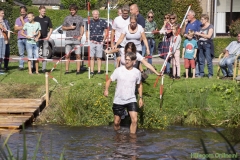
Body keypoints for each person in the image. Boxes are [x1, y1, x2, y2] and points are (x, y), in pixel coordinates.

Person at [104, 52, 143, 134]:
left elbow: (139, 85)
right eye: (126, 59)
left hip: (131, 99)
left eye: (129, 60)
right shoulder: (118, 70)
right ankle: (117, 136)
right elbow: (109, 80)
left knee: (134, 120)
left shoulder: (137, 72)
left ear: (133, 61)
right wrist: (106, 90)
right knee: (116, 122)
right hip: (119, 99)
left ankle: (132, 140)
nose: (127, 61)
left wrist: (140, 98)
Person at [62, 4, 84, 75]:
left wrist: (80, 36)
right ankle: (67, 70)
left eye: (73, 10)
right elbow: (63, 27)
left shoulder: (80, 18)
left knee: (78, 55)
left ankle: (78, 70)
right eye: (71, 10)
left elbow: (82, 27)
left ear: (76, 10)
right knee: (67, 55)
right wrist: (70, 28)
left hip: (76, 39)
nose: (72, 11)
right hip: (68, 39)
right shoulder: (67, 18)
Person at [86, 10, 107, 76]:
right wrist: (87, 38)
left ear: (99, 14)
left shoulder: (103, 22)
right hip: (92, 41)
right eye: (94, 14)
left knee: (99, 57)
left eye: (97, 14)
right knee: (92, 57)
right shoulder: (89, 22)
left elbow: (106, 32)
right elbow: (87, 31)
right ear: (92, 15)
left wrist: (103, 40)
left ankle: (99, 71)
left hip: (99, 42)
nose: (95, 15)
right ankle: (92, 71)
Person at [181, 10, 201, 77]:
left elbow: (199, 33)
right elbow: (182, 32)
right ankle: (188, 73)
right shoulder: (187, 23)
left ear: (193, 15)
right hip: (187, 43)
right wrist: (185, 24)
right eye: (187, 15)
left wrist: (192, 35)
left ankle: (196, 73)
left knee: (195, 59)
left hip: (194, 42)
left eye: (188, 15)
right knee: (188, 58)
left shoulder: (198, 23)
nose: (187, 16)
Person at [34, 5, 53, 73]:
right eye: (42, 11)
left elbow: (51, 28)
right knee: (36, 54)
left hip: (45, 39)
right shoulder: (35, 18)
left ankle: (43, 69)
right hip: (37, 39)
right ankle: (34, 68)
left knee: (45, 54)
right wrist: (35, 36)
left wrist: (48, 36)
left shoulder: (47, 19)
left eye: (44, 11)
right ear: (39, 11)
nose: (44, 12)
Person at [195, 14, 214, 78]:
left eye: (202, 19)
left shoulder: (210, 26)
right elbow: (199, 35)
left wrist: (200, 34)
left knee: (209, 60)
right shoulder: (201, 26)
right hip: (200, 44)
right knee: (201, 60)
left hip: (207, 44)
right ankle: (201, 74)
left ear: (206, 20)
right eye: (201, 19)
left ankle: (210, 74)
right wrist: (197, 35)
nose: (201, 20)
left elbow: (209, 36)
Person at [14, 6, 29, 70]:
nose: (22, 13)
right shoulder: (17, 19)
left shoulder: (28, 18)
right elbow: (15, 28)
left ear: (26, 12)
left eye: (23, 12)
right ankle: (21, 66)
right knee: (21, 53)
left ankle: (31, 66)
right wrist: (22, 26)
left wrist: (22, 20)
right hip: (20, 38)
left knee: (29, 53)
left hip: (27, 38)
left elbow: (27, 27)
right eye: (21, 12)